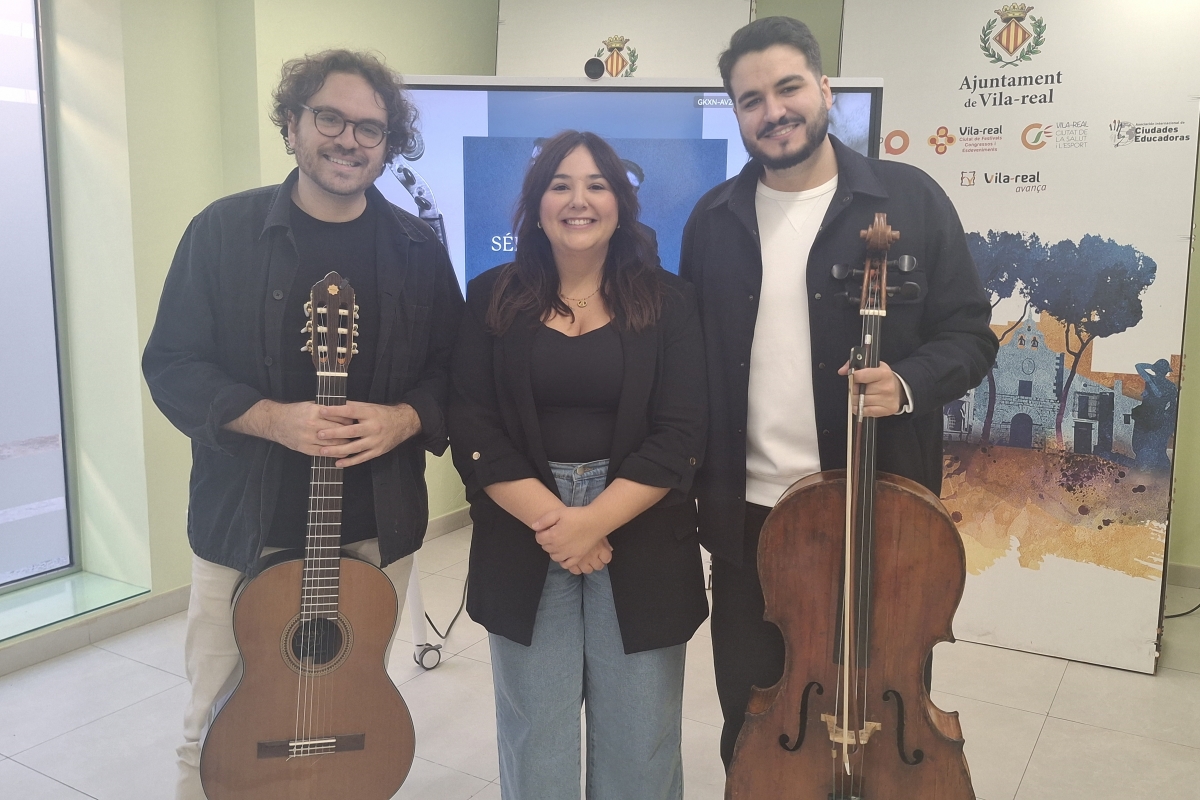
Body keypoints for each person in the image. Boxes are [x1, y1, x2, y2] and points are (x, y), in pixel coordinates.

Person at [141, 49, 463, 800]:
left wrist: (405, 418)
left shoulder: (417, 249)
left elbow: (458, 372)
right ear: (292, 125)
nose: (350, 140)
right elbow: (173, 364)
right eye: (331, 118)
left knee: (345, 701)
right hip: (242, 528)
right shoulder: (222, 234)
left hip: (374, 524)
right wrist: (269, 418)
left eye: (371, 129)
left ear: (390, 144)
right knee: (216, 724)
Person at [678, 17, 999, 768]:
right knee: (757, 713)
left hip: (877, 508)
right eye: (751, 99)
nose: (773, 110)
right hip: (750, 515)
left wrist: (909, 382)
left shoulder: (910, 200)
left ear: (823, 90)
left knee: (880, 708)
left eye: (788, 87)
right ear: (737, 113)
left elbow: (972, 335)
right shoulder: (712, 219)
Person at [449, 130, 708, 799]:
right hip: (523, 524)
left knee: (641, 735)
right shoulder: (490, 296)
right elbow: (472, 422)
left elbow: (682, 430)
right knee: (538, 734)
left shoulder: (670, 300)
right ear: (536, 207)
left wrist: (595, 521)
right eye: (560, 185)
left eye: (596, 185)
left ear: (621, 204)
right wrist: (557, 521)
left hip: (642, 525)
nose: (578, 200)